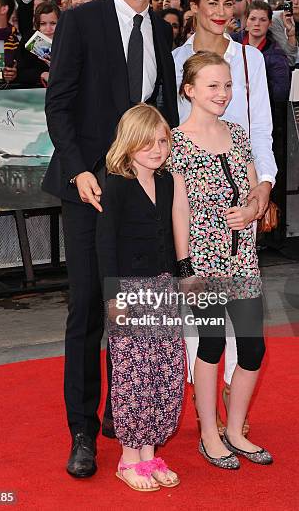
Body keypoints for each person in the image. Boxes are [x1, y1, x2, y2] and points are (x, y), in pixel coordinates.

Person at [43, 0, 179, 479]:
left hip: (138, 194)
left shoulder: (164, 32)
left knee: (136, 310)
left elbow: (160, 112)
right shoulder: (80, 22)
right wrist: (78, 170)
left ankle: (125, 419)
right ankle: (83, 429)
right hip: (88, 190)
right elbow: (59, 105)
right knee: (88, 310)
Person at [172, 0, 277, 433]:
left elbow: (260, 134)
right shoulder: (172, 60)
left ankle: (233, 400)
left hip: (243, 204)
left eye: (228, 2)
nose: (221, 13)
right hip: (193, 212)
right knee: (204, 326)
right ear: (193, 6)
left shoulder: (249, 60)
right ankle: (206, 413)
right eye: (210, 3)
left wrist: (264, 190)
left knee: (246, 326)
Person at [96, 104, 183, 492]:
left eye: (163, 141)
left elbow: (171, 233)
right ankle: (129, 457)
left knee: (164, 373)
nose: (156, 149)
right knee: (133, 376)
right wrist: (114, 298)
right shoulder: (114, 184)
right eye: (147, 142)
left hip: (164, 288)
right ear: (129, 144)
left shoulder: (166, 182)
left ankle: (150, 453)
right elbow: (106, 245)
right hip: (130, 292)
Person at [232, 0, 290, 111]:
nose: (257, 24)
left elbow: (280, 94)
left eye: (263, 20)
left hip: (260, 111)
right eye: (253, 19)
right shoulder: (231, 42)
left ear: (270, 23)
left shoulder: (277, 55)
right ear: (246, 20)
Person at [16, 2, 60, 87]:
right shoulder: (29, 41)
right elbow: (19, 72)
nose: (48, 29)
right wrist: (42, 74)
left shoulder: (68, 42)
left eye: (53, 23)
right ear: (37, 25)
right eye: (43, 24)